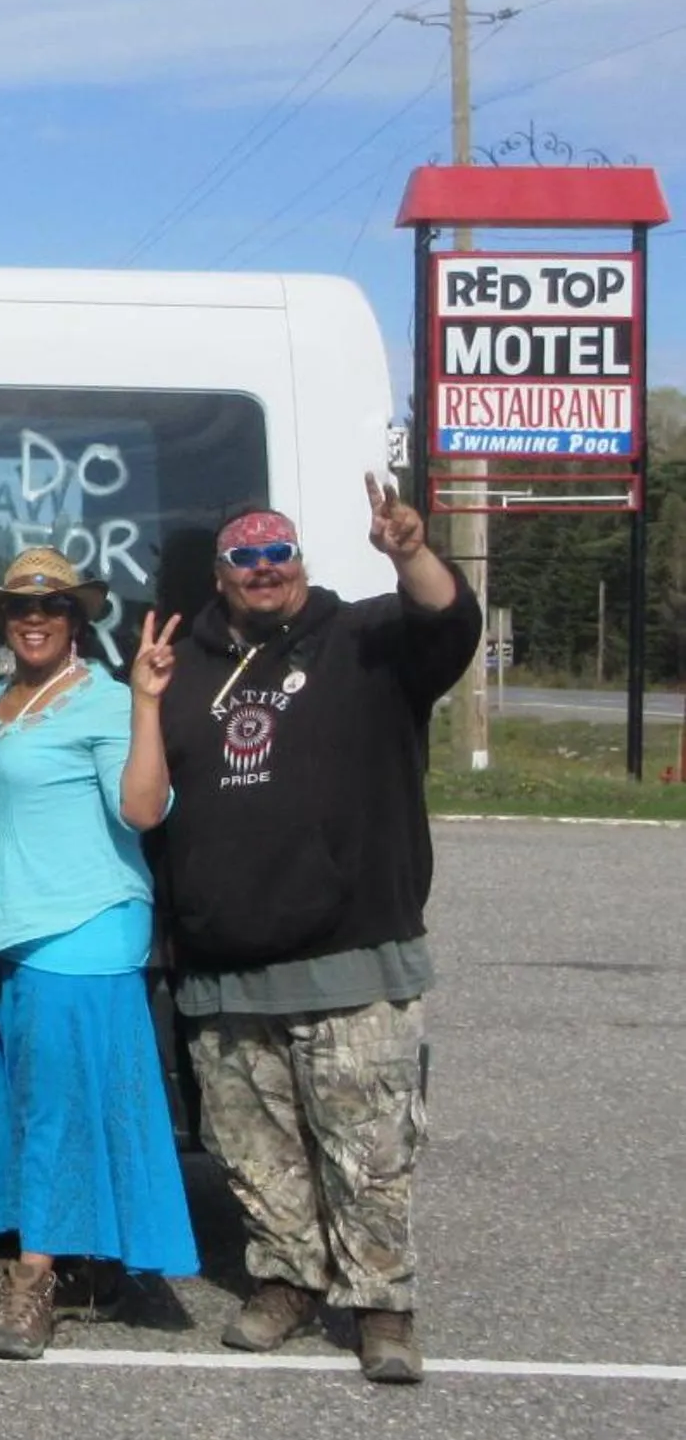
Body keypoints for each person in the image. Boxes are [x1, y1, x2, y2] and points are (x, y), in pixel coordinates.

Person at [160, 480, 478, 1386]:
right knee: (257, 1158)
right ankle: (286, 1282)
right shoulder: (183, 664)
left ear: (300, 563)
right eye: (245, 558)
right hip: (226, 972)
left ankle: (384, 1309)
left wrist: (410, 551)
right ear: (220, 575)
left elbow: (449, 623)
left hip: (351, 956)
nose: (265, 570)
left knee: (369, 1154)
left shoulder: (368, 639)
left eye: (279, 554)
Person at [0, 547, 199, 1360]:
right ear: (2, 622)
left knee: (59, 1113)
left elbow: (141, 809)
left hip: (84, 929)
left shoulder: (101, 700)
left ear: (76, 622)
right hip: (12, 935)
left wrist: (148, 703)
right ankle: (83, 1260)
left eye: (53, 609)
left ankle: (32, 1283)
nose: (35, 620)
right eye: (21, 609)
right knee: (29, 1108)